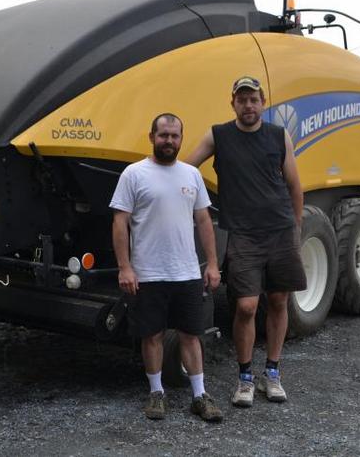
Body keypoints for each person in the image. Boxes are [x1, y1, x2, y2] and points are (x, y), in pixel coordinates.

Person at [186, 76, 306, 408]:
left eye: (253, 99)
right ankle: (244, 378)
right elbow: (187, 167)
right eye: (242, 99)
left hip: (280, 230)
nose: (248, 105)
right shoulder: (219, 135)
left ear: (263, 102)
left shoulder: (278, 136)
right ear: (233, 103)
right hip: (243, 235)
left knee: (279, 301)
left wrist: (296, 228)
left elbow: (295, 186)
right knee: (246, 306)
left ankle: (272, 372)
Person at [110, 113, 223, 422]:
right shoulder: (134, 174)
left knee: (190, 335)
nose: (169, 141)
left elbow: (203, 221)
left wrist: (212, 263)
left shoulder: (191, 175)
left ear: (181, 139)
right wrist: (125, 268)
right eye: (163, 135)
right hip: (148, 273)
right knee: (152, 336)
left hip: (185, 272)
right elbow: (120, 223)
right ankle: (156, 393)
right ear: (152, 137)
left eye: (175, 136)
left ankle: (199, 396)